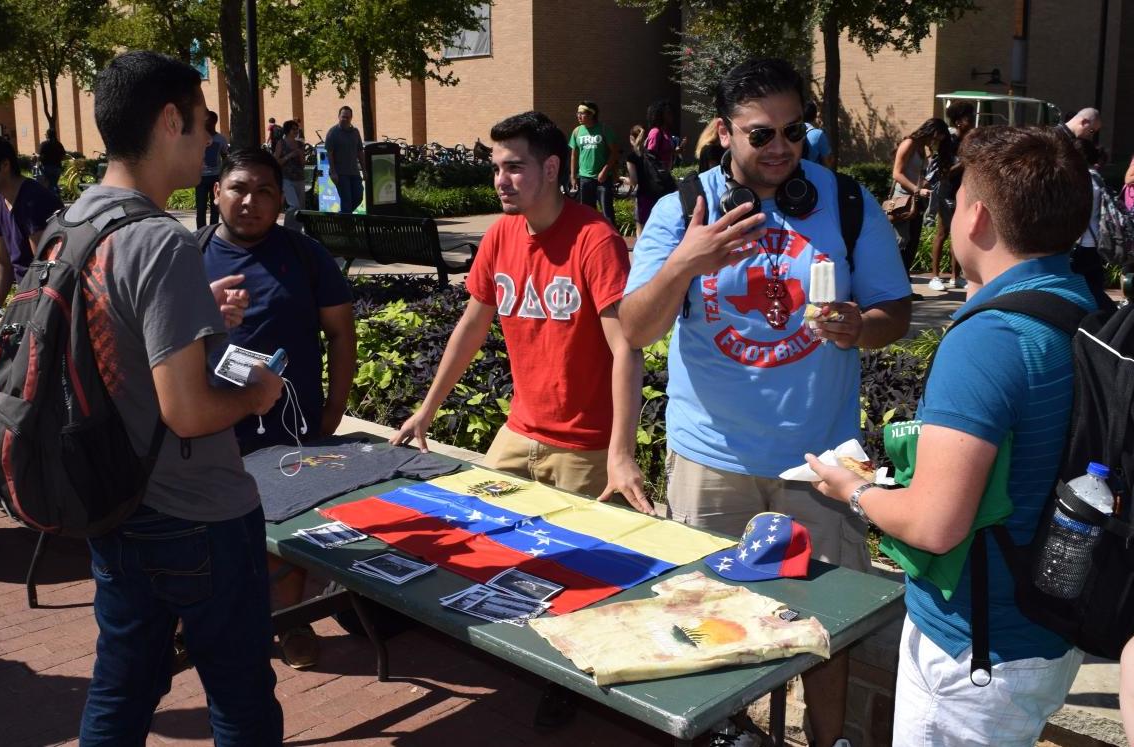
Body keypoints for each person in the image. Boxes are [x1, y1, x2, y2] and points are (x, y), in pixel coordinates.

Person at [618, 58, 912, 747]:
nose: (781, 148)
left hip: (821, 460)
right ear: (723, 132)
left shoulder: (844, 201)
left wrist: (858, 324)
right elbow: (635, 328)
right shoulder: (679, 208)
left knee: (827, 621)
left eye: (793, 130)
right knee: (705, 613)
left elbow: (894, 311)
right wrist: (687, 260)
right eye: (760, 135)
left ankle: (829, 739)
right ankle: (725, 735)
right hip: (711, 459)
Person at [806, 125, 1096, 746]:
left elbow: (936, 524)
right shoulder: (1078, 302)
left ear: (979, 217)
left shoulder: (989, 340)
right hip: (1046, 630)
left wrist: (850, 492)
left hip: (974, 652)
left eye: (958, 197)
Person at [391, 110, 648, 729]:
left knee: (580, 577)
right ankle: (524, 657)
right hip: (519, 434)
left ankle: (572, 686)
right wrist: (427, 409)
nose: (500, 178)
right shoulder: (502, 236)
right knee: (491, 555)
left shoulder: (595, 240)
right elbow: (471, 326)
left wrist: (620, 451)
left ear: (552, 168)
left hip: (583, 449)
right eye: (495, 166)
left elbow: (627, 349)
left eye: (514, 166)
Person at [70, 50, 284, 744]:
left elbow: (114, 338)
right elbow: (187, 410)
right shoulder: (159, 240)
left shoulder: (76, 223)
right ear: (169, 121)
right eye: (202, 123)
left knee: (122, 688)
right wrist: (258, 395)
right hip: (197, 514)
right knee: (242, 696)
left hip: (113, 501)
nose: (210, 140)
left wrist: (199, 315)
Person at [202, 146, 356, 670]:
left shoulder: (305, 256)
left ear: (281, 200)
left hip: (291, 423)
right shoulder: (187, 255)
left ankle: (291, 620)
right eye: (239, 188)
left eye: (265, 191)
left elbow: (340, 333)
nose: (251, 201)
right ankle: (212, 618)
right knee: (212, 526)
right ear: (218, 192)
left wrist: (334, 408)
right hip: (210, 420)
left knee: (285, 524)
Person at [0, 134, 63, 337]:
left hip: (49, 306)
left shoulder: (33, 201)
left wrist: (22, 313)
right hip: (29, 301)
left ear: (5, 165)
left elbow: (45, 269)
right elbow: (3, 263)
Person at [891, 118, 950, 274]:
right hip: (903, 200)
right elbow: (897, 174)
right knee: (901, 242)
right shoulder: (908, 144)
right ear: (931, 132)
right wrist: (917, 189)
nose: (935, 142)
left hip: (915, 201)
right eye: (936, 139)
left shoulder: (921, 148)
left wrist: (925, 183)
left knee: (912, 243)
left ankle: (905, 284)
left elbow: (914, 173)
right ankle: (897, 285)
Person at [925, 103, 974, 291]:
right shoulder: (949, 142)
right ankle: (935, 276)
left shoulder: (969, 141)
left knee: (959, 234)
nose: (972, 122)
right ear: (959, 122)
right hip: (947, 192)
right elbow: (942, 173)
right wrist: (962, 165)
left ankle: (956, 276)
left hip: (965, 191)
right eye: (969, 118)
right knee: (943, 232)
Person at [1072, 137, 1114, 310]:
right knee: (1094, 285)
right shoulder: (1097, 178)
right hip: (1096, 241)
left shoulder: (1082, 179)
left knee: (1080, 288)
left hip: (1081, 243)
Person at [568, 100, 620, 226]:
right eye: (578, 113)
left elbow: (615, 152)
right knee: (587, 213)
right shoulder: (577, 131)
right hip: (585, 178)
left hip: (603, 178)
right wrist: (573, 175)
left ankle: (613, 240)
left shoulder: (604, 129)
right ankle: (592, 240)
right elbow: (574, 155)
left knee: (607, 212)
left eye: (582, 113)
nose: (579, 116)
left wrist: (605, 170)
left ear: (592, 114)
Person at [636, 99, 676, 229]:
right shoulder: (655, 132)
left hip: (664, 178)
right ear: (660, 115)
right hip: (657, 182)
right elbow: (650, 155)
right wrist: (662, 174)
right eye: (668, 113)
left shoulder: (666, 133)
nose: (671, 116)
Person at [325, 106, 365, 214]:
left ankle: (342, 215)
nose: (345, 119)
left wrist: (365, 171)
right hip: (340, 173)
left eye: (347, 117)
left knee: (358, 197)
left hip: (354, 172)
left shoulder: (355, 132)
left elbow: (360, 152)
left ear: (351, 118)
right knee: (346, 200)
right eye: (343, 117)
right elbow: (330, 154)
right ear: (339, 117)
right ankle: (346, 226)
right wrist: (333, 172)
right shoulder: (332, 133)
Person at [195, 110, 228, 228]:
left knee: (215, 207)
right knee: (201, 208)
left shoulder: (221, 139)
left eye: (208, 121)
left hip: (215, 176)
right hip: (201, 177)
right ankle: (201, 231)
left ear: (214, 122)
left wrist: (225, 173)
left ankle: (212, 230)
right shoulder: (198, 138)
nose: (206, 123)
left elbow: (225, 156)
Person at [273, 119, 306, 232]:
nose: (296, 131)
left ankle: (297, 232)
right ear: (287, 130)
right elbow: (276, 162)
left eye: (297, 129)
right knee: (294, 205)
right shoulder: (281, 143)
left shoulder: (300, 144)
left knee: (300, 208)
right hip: (286, 178)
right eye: (293, 129)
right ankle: (287, 229)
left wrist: (300, 155)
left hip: (299, 178)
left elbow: (303, 164)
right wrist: (290, 155)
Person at [802, 100, 835, 169]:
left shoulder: (791, 132)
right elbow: (827, 163)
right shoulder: (818, 134)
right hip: (813, 176)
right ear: (815, 115)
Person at [36, 128, 66, 197]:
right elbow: (63, 155)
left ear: (47, 135)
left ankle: (54, 199)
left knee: (49, 185)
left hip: (46, 167)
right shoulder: (58, 144)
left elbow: (39, 156)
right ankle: (57, 196)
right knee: (54, 183)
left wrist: (38, 164)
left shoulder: (44, 144)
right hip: (57, 167)